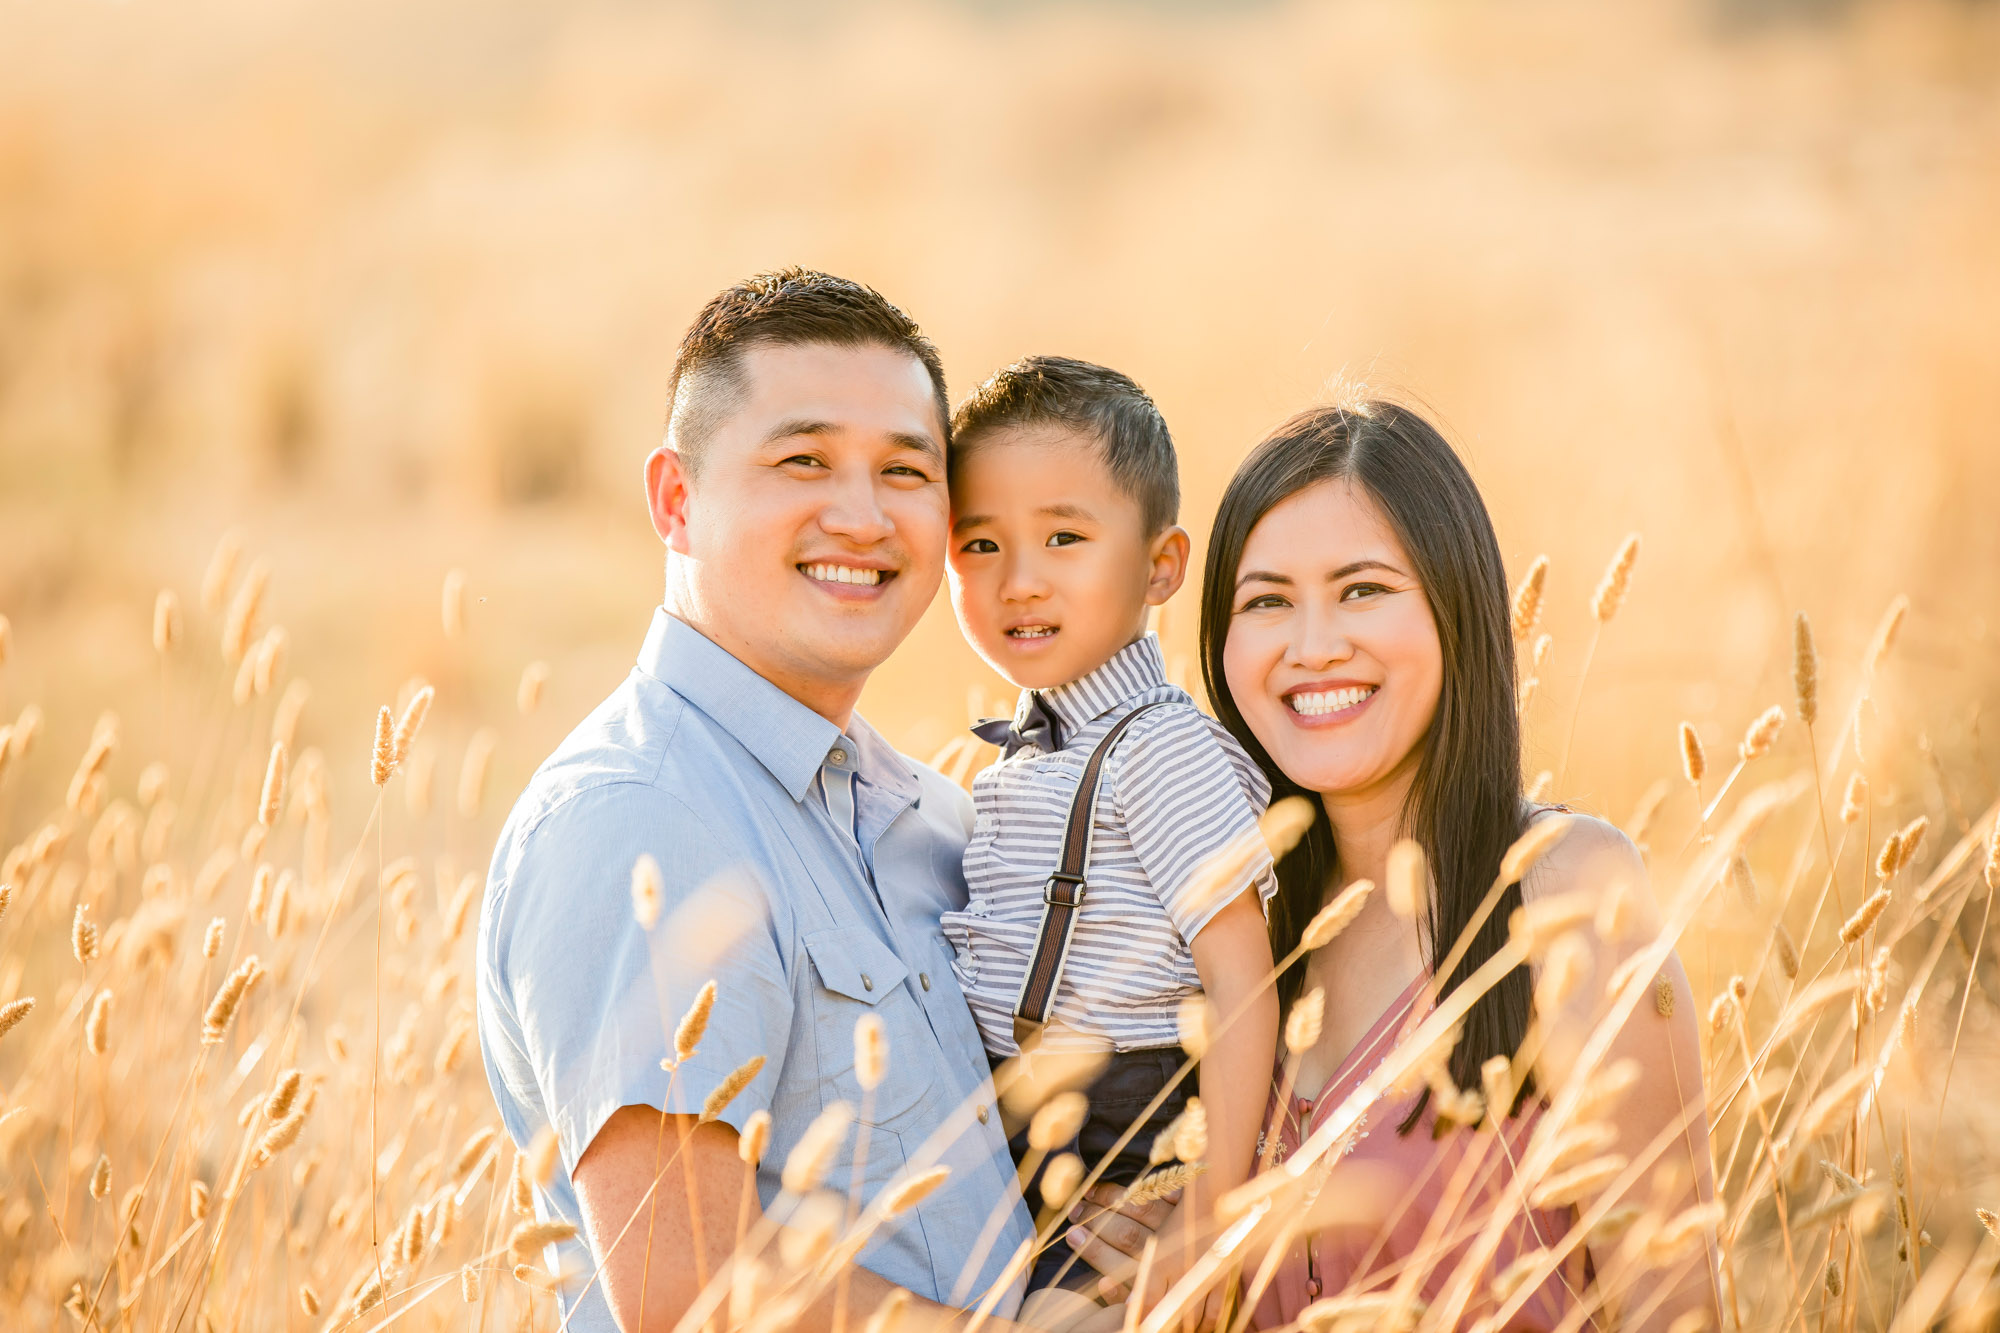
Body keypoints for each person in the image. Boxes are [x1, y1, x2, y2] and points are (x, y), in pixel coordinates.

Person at [475, 268, 1042, 1333]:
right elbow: (689, 1288)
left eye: (906, 471)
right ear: (675, 500)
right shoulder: (639, 820)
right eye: (803, 460)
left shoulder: (927, 816)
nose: (863, 515)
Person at [1191, 400, 1720, 1331]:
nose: (1312, 646)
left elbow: (1676, 1307)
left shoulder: (1562, 894)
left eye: (1362, 590)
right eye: (1267, 600)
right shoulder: (1224, 924)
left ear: (1455, 606)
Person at [940, 357, 1280, 1328]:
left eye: (1062, 536)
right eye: (980, 542)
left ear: (1160, 567)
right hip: (1015, 1142)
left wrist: (1206, 1217)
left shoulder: (1157, 750)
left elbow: (1240, 984)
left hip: (1116, 1138)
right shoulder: (1018, 754)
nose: (1019, 580)